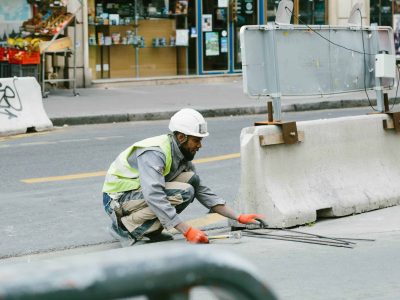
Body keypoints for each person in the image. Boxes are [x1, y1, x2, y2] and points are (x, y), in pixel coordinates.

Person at [102, 108, 262, 246]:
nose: (200, 145)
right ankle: (125, 228)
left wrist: (239, 217)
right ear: (181, 137)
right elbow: (154, 195)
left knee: (191, 181)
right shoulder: (155, 153)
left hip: (136, 195)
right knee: (183, 192)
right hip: (117, 200)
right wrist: (187, 231)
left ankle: (151, 231)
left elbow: (201, 190)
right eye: (196, 140)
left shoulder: (180, 153)